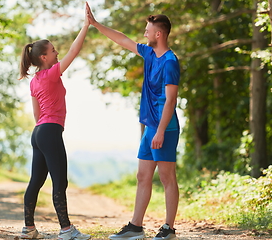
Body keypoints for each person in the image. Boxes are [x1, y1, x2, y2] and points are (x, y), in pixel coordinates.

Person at [86, 3, 180, 240]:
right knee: (142, 176)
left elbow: (170, 101)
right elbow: (122, 39)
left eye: (148, 30)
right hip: (151, 127)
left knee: (167, 177)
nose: (145, 33)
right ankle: (136, 227)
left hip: (164, 128)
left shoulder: (170, 62)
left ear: (159, 33)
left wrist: (159, 132)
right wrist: (96, 24)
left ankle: (169, 228)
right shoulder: (149, 53)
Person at [18, 4, 91, 240]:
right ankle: (66, 230)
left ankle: (29, 229)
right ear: (43, 57)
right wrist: (85, 25)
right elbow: (74, 51)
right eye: (53, 50)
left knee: (35, 182)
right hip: (49, 132)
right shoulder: (51, 74)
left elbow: (37, 115)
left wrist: (46, 130)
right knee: (60, 181)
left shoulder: (35, 81)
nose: (57, 52)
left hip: (38, 133)